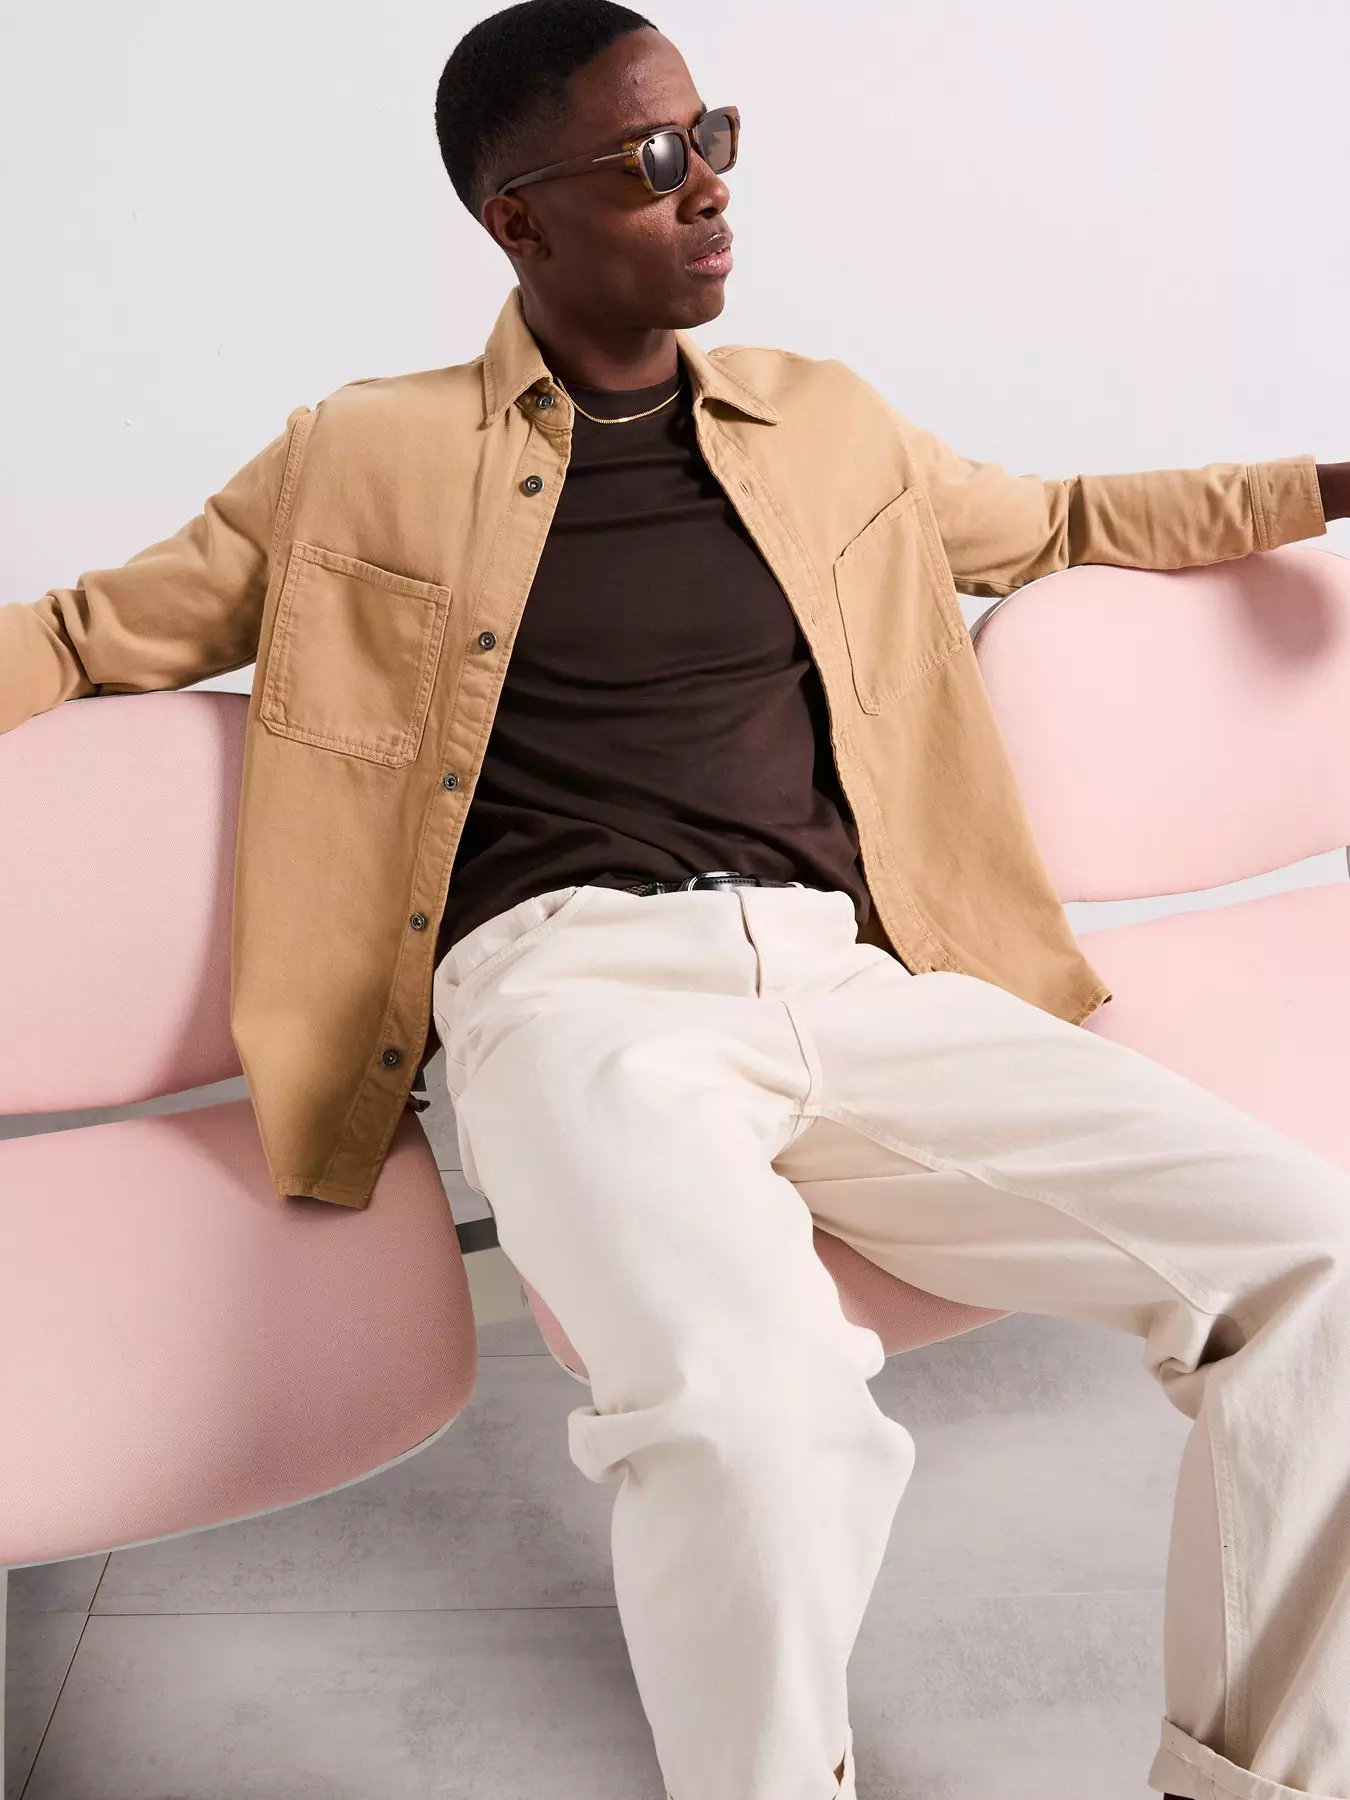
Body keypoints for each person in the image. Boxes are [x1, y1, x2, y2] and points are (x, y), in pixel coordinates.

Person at [3, 2, 1349, 1795]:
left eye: (713, 135)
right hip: (570, 1002)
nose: (707, 186)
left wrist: (1324, 485)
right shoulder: (359, 454)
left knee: (1314, 1266)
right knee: (752, 1417)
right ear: (518, 218)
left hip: (851, 978)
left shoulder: (825, 420)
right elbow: (87, 634)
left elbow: (1052, 523)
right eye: (652, 159)